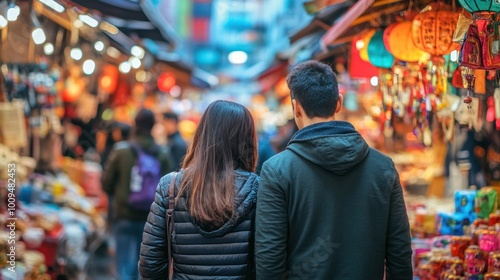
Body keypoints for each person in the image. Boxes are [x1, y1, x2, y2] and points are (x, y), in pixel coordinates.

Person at [255, 61, 412, 280]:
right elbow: (400, 255)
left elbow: (269, 263)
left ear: (296, 107)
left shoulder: (277, 170)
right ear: (338, 104)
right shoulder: (383, 167)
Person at [139, 100, 259, 279]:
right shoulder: (257, 188)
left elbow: (150, 263)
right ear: (247, 141)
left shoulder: (170, 186)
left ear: (202, 135)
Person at [101, 108, 173, 280]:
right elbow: (170, 187)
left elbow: (106, 183)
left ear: (135, 124)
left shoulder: (122, 150)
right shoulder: (162, 153)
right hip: (151, 219)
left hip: (124, 215)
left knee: (123, 263)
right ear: (153, 126)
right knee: (143, 265)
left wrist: (119, 195)